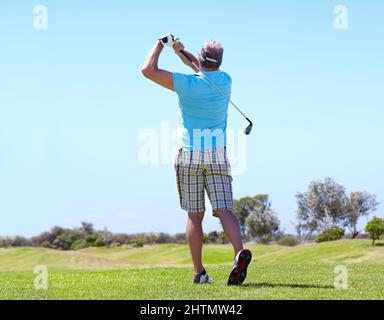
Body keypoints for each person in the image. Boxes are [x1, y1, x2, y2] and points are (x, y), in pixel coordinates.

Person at [141, 34, 252, 285]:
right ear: (220, 62)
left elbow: (148, 70)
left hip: (189, 154)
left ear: (201, 59)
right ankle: (239, 253)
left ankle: (199, 272)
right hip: (217, 154)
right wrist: (180, 51)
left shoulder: (186, 84)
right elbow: (199, 67)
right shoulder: (224, 81)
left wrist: (161, 45)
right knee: (225, 210)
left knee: (195, 215)